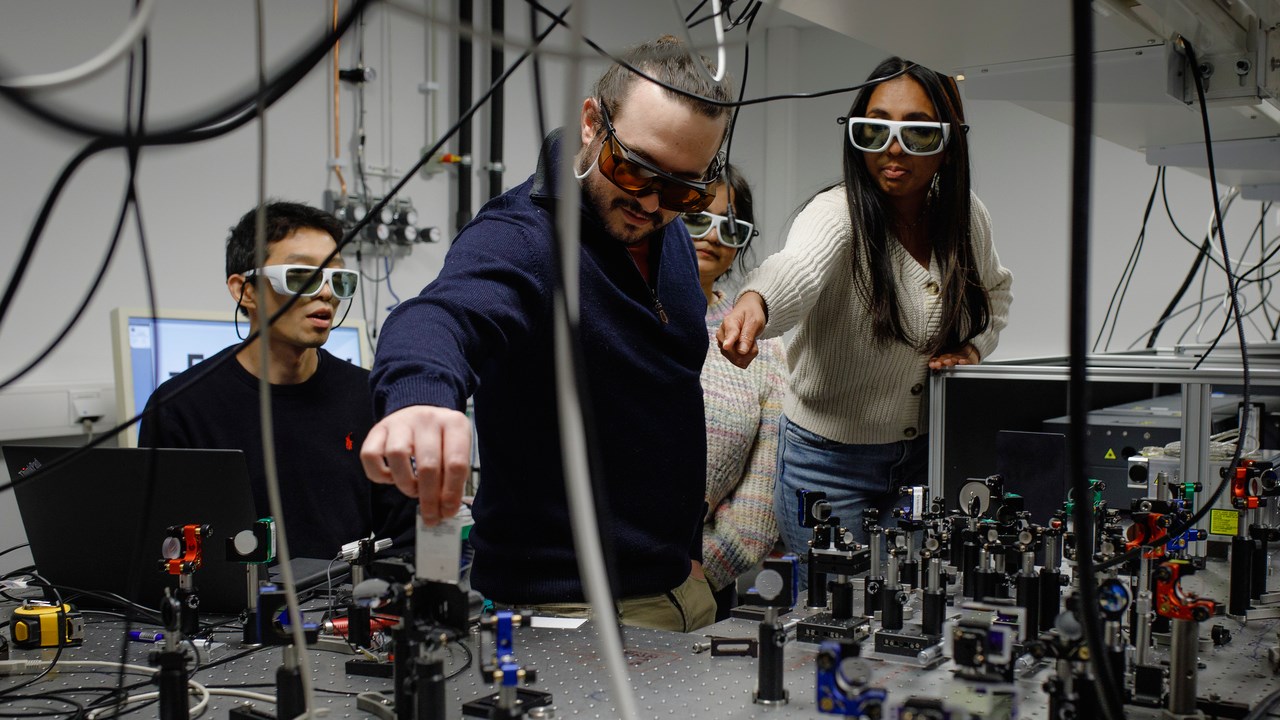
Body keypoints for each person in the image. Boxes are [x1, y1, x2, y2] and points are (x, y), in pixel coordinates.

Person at [360, 36, 735, 632]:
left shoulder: (663, 236)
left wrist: (684, 555)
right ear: (592, 122)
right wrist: (422, 399)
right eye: (632, 168)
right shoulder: (525, 238)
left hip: (676, 590)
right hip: (573, 612)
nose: (647, 202)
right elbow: (439, 317)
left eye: (680, 190)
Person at [716, 58, 1014, 566]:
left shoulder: (965, 217)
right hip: (826, 464)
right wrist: (756, 301)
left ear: (949, 142)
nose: (892, 149)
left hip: (924, 456)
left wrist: (972, 348)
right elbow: (796, 269)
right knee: (833, 614)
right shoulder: (837, 213)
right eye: (875, 129)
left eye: (917, 133)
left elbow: (995, 297)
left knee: (912, 603)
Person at [140, 201, 416, 560]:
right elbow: (163, 552)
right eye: (302, 275)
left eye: (338, 279)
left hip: (339, 610)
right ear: (246, 290)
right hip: (226, 613)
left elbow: (407, 539)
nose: (326, 294)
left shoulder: (368, 398)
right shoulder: (180, 408)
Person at [686, 166, 786, 620]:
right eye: (695, 218)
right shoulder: (613, 315)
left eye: (730, 226)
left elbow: (756, 514)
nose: (713, 236)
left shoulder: (761, 343)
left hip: (698, 585)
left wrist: (691, 578)